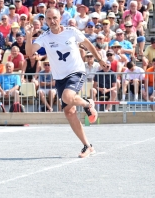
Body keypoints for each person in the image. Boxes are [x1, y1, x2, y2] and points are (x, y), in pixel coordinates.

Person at [25, 8, 108, 158]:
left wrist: (100, 59)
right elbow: (30, 53)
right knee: (69, 112)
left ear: (60, 17)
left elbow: (88, 45)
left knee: (67, 97)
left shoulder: (71, 31)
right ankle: (87, 146)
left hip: (76, 71)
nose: (52, 21)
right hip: (59, 77)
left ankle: (88, 104)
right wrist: (29, 35)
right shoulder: (45, 37)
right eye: (49, 19)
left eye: (54, 18)